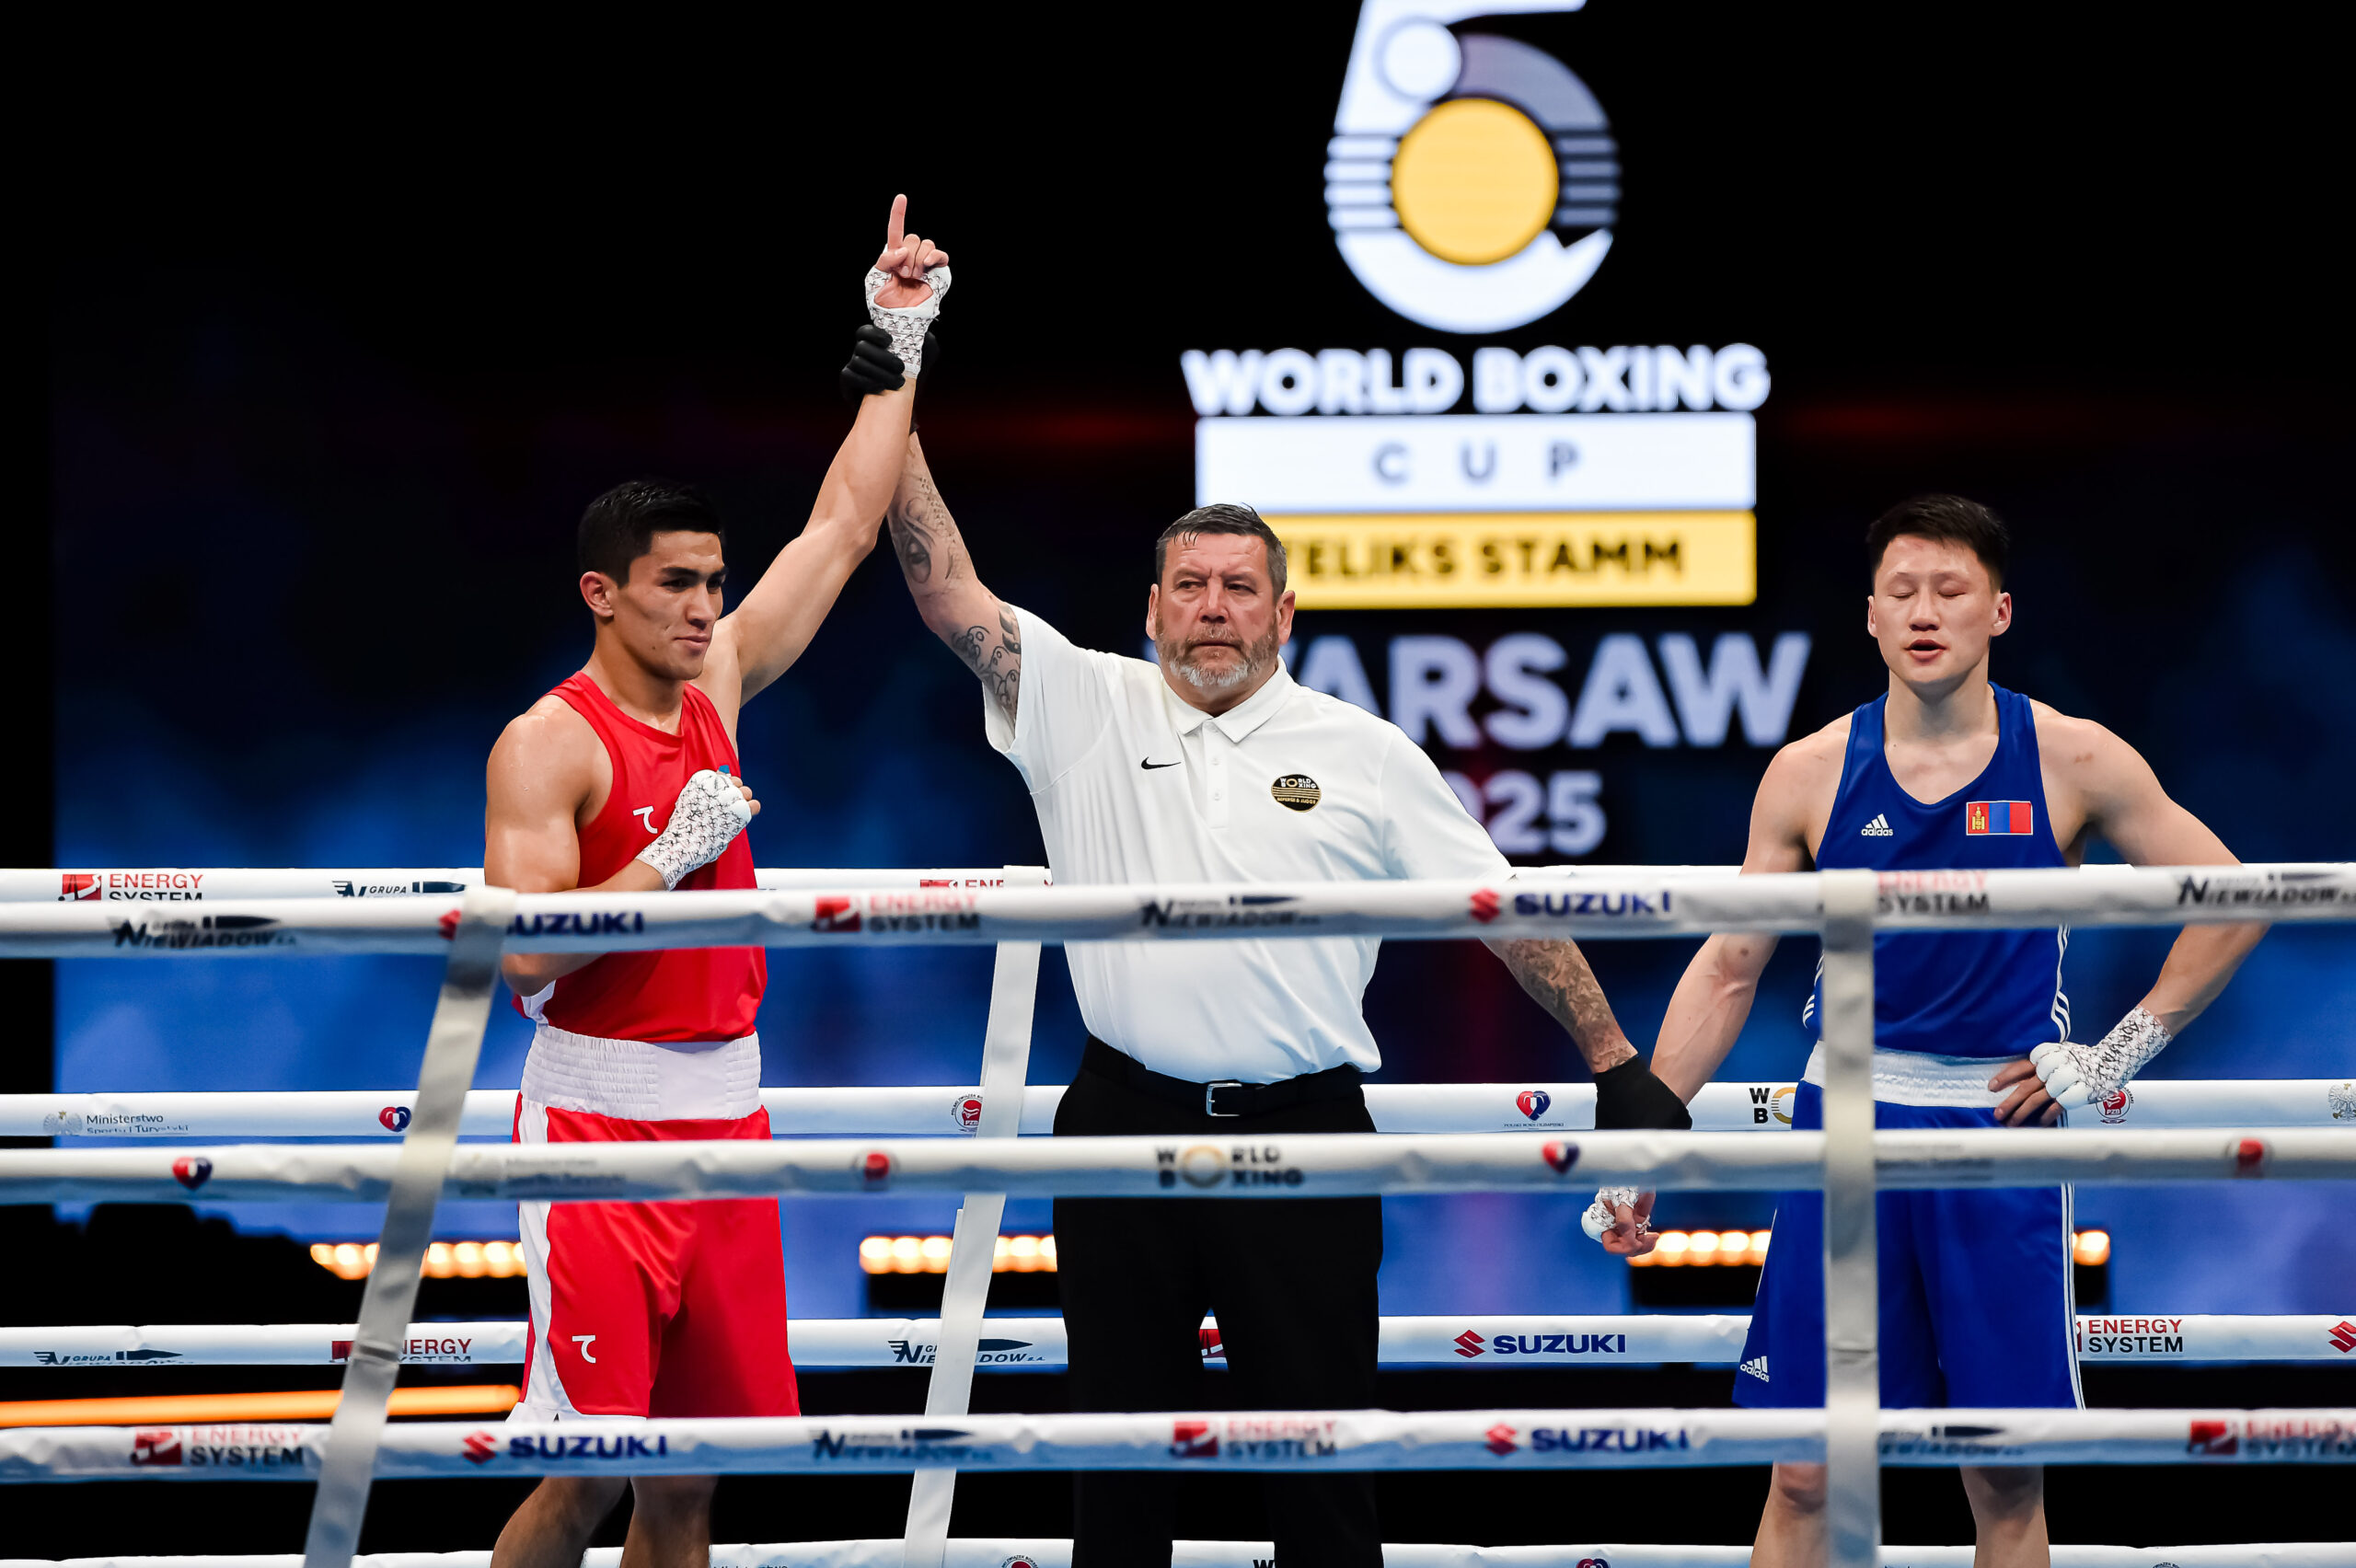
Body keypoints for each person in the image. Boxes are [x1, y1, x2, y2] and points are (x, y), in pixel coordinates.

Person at [840, 329, 1688, 1567]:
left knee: (1322, 1477)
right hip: (1122, 1122)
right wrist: (896, 387)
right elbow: (944, 589)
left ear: (1284, 611)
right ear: (1152, 608)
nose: (1213, 607)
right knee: (1116, 1476)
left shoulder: (1365, 752)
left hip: (1307, 1132)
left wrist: (1616, 1063)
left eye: (1239, 587)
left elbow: (1501, 909)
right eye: (1190, 585)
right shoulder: (1085, 701)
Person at [1584, 495, 2265, 1568]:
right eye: (1900, 591)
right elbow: (1728, 965)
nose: (1923, 611)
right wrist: (1642, 1152)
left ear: (1998, 610)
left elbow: (2236, 896)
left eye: (1950, 590)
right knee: (1805, 1468)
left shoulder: (2073, 759)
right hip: (1842, 1126)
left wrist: (2112, 1058)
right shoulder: (1810, 771)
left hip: (1997, 1131)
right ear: (1869, 615)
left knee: (2002, 1471)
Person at [480, 199, 949, 1568]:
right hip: (594, 1133)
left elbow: (844, 525)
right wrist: (668, 857)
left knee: (689, 1487)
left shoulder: (720, 687)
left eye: (713, 584)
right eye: (676, 586)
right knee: (584, 1475)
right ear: (601, 594)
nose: (703, 608)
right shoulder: (548, 743)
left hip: (728, 1118)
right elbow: (524, 959)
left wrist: (900, 336)